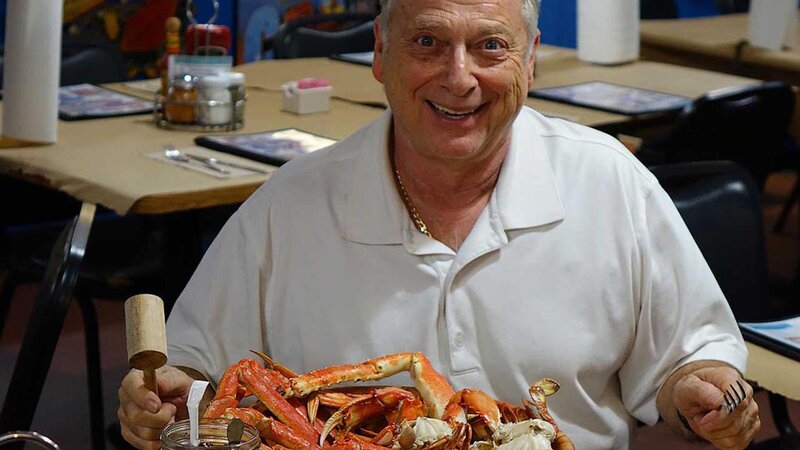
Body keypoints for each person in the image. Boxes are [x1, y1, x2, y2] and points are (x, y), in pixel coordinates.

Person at [117, 0, 761, 448]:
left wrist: (706, 396)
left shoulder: (608, 182)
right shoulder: (291, 206)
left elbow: (690, 360)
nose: (459, 78)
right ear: (379, 52)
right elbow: (195, 370)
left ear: (530, 61)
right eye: (427, 41)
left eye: (490, 46)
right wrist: (170, 398)